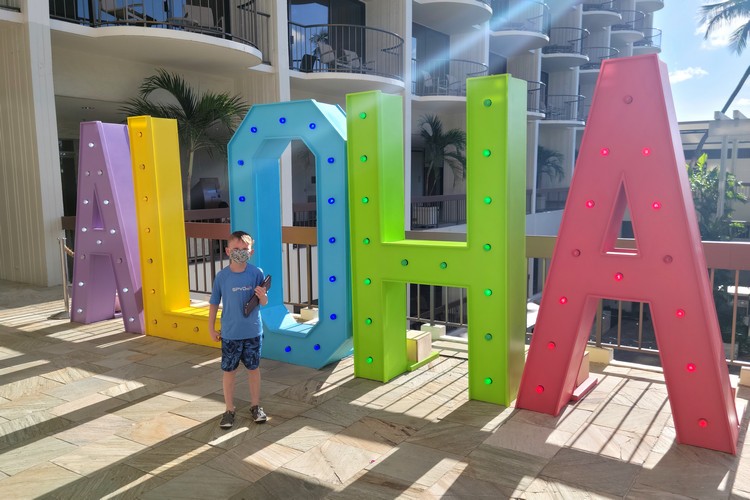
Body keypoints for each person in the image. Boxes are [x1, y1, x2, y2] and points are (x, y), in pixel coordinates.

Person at [208, 231, 269, 429]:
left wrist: (262, 296)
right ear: (227, 251)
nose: (240, 253)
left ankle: (255, 406)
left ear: (251, 252)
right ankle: (228, 409)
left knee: (253, 369)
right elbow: (214, 303)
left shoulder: (256, 273)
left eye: (244, 249)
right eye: (236, 249)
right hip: (230, 333)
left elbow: (265, 302)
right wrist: (211, 327)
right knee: (229, 371)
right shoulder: (222, 277)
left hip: (253, 332)